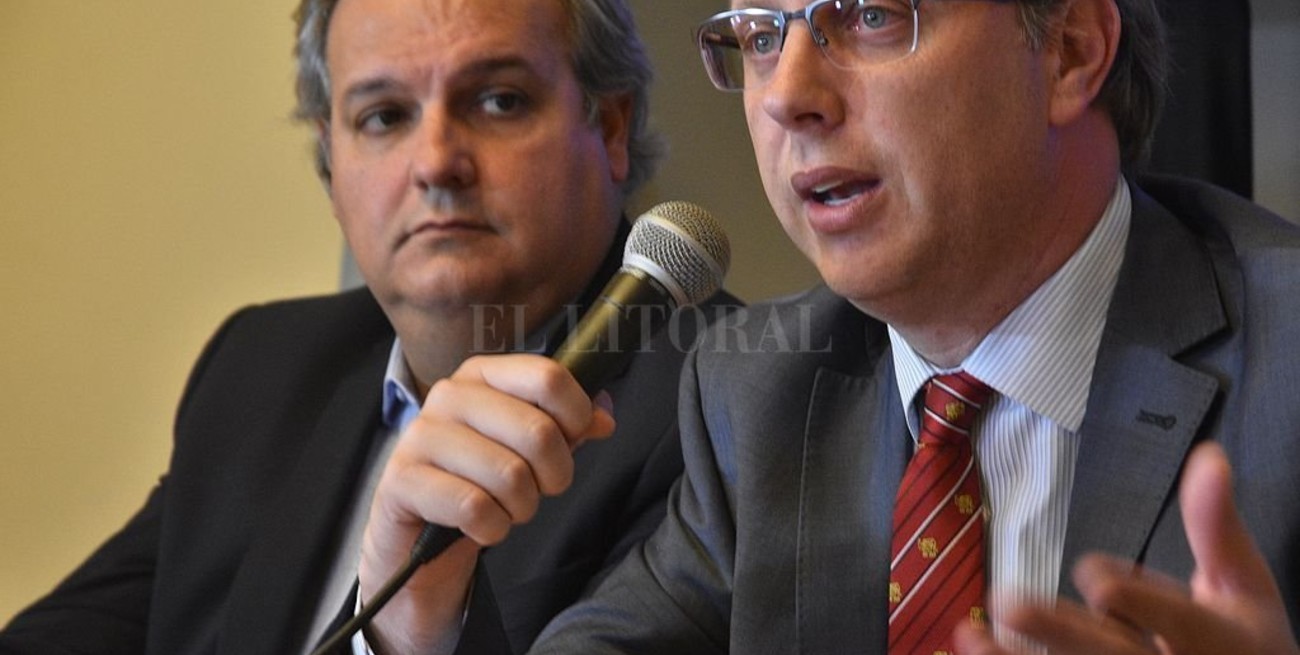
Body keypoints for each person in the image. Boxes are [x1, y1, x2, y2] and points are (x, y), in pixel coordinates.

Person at [529, 0, 1300, 652]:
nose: (786, 96)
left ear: (1069, 51)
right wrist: (448, 575)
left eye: (871, 16)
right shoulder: (758, 392)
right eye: (762, 37)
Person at [0, 0, 736, 654]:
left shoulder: (728, 403)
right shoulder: (261, 365)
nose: (436, 163)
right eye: (384, 116)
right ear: (330, 162)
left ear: (611, 126)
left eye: (500, 101)